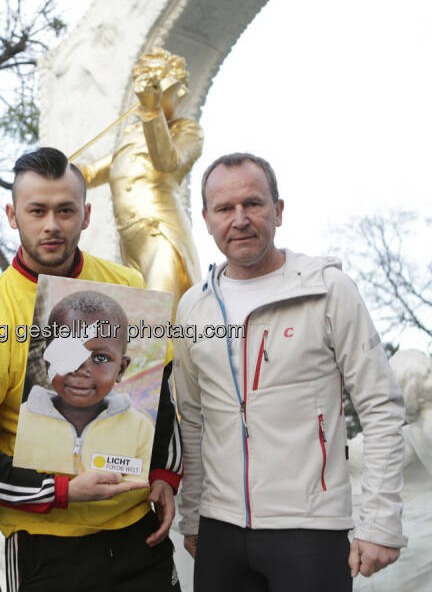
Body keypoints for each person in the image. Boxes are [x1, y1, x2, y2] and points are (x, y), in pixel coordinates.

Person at [0, 147, 183, 591]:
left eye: (65, 210)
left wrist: (163, 473)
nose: (51, 225)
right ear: (12, 214)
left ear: (85, 215)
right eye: (37, 210)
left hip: (138, 535)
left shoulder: (127, 286)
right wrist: (59, 492)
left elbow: (161, 391)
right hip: (46, 547)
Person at [174, 153, 407, 592]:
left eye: (253, 204)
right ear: (206, 219)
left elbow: (381, 408)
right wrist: (193, 516)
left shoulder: (328, 290)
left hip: (311, 529)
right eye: (225, 209)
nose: (239, 219)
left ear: (278, 211)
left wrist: (381, 522)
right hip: (220, 530)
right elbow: (191, 419)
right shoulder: (193, 305)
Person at [78, 47, 203, 310]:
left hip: (161, 234)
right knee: (134, 320)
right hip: (130, 242)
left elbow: (168, 162)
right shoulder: (133, 133)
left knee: (156, 318)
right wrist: (56, 168)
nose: (148, 84)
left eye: (156, 77)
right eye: (144, 78)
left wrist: (151, 112)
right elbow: (92, 173)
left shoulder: (187, 131)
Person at [12, 290, 154, 479]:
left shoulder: (140, 429)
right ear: (47, 361)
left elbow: (140, 485)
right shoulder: (21, 421)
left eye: (100, 358)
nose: (79, 368)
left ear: (121, 369)